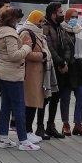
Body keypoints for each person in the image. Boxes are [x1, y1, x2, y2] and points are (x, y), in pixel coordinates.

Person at [0, 6, 39, 151]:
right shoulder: (10, 34)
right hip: (12, 74)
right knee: (18, 107)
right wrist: (27, 47)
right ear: (12, 19)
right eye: (17, 19)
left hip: (2, 72)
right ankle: (24, 141)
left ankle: (3, 138)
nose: (19, 21)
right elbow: (14, 55)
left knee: (6, 105)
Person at [21, 10, 57, 140]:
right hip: (30, 74)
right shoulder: (27, 32)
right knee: (29, 103)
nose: (42, 24)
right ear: (35, 20)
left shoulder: (38, 33)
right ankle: (26, 132)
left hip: (38, 74)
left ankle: (28, 131)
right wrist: (43, 55)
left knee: (33, 103)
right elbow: (25, 53)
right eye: (40, 21)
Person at [40, 2, 71, 139]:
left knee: (56, 98)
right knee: (45, 98)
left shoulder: (60, 28)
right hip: (49, 68)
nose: (62, 15)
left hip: (61, 68)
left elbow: (67, 46)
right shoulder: (45, 27)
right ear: (52, 14)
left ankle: (50, 126)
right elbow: (49, 48)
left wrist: (65, 61)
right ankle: (40, 127)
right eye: (60, 12)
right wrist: (60, 61)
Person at [59, 8, 82, 136]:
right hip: (67, 67)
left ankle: (78, 124)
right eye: (72, 16)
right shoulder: (61, 29)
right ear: (66, 17)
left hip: (79, 68)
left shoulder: (79, 29)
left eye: (76, 17)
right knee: (65, 98)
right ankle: (65, 124)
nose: (74, 19)